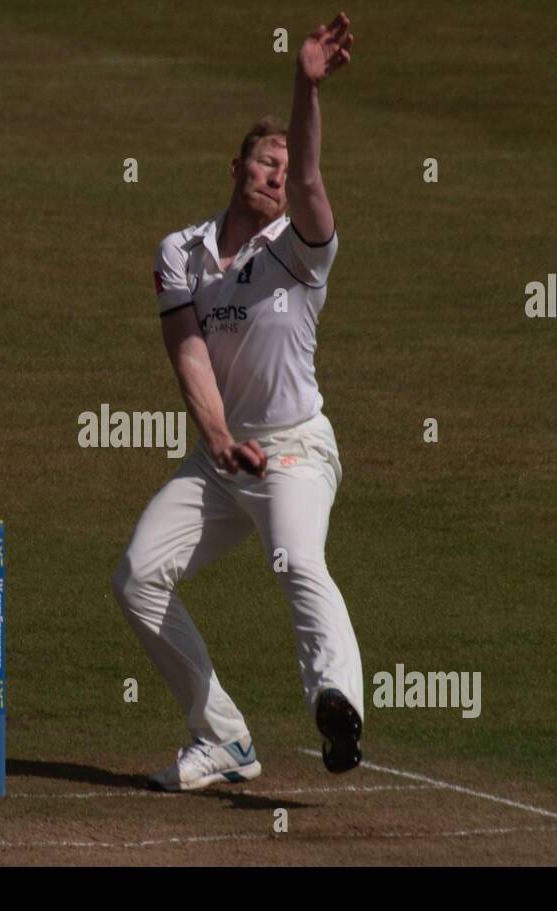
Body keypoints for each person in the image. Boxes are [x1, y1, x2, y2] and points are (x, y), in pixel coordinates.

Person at [112, 14, 363, 791]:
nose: (279, 177)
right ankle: (224, 739)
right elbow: (187, 348)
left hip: (294, 449)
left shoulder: (302, 247)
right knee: (136, 577)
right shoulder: (180, 252)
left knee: (295, 558)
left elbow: (315, 180)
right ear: (237, 166)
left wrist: (306, 86)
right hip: (224, 459)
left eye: (287, 166)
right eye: (266, 162)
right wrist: (218, 438)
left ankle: (337, 701)